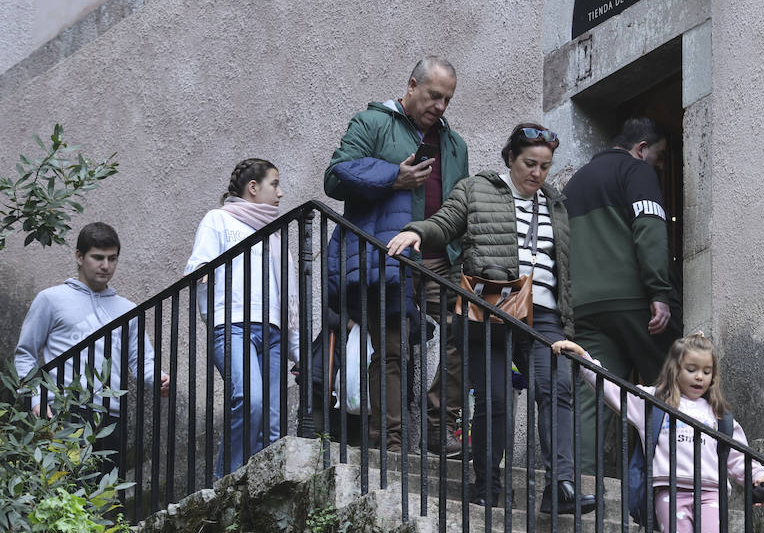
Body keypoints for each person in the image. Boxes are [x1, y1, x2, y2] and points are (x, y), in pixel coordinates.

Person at [386, 123, 593, 515]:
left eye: (545, 166)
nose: (537, 173)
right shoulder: (477, 189)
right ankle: (487, 486)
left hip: (545, 315)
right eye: (530, 163)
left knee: (557, 389)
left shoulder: (555, 204)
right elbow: (444, 223)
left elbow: (560, 266)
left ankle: (561, 485)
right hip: (490, 310)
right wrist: (416, 232)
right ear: (510, 158)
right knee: (495, 400)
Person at [551, 333, 764, 533]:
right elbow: (613, 391)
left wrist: (758, 478)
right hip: (668, 492)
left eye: (706, 371)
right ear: (675, 369)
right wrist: (584, 358)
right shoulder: (653, 403)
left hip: (710, 492)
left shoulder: (718, 415)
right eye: (692, 369)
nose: (699, 377)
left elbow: (738, 456)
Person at [324, 55, 469, 455]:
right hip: (389, 255)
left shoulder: (455, 144)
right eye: (434, 96)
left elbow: (461, 201)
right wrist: (393, 177)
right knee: (391, 349)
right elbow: (335, 176)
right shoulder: (373, 122)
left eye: (447, 100)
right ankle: (388, 442)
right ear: (411, 86)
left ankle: (439, 423)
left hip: (443, 259)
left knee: (469, 333)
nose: (440, 106)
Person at [561, 117, 676, 469]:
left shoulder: (574, 182)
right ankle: (677, 479)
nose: (661, 164)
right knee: (674, 384)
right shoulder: (637, 172)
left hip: (584, 306)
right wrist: (659, 291)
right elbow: (649, 230)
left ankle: (578, 483)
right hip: (632, 302)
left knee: (591, 394)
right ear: (641, 148)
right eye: (659, 155)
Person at [14, 222, 169, 461]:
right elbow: (25, 355)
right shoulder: (51, 300)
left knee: (104, 496)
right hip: (61, 411)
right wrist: (36, 399)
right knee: (62, 491)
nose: (106, 266)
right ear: (79, 256)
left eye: (112, 258)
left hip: (110, 416)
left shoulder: (128, 310)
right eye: (98, 257)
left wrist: (156, 378)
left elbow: (141, 361)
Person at [184, 159, 301, 477]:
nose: (280, 192)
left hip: (274, 334)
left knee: (274, 421)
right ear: (253, 187)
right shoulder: (219, 220)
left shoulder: (276, 237)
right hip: (233, 327)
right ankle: (227, 481)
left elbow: (285, 301)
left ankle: (264, 487)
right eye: (274, 184)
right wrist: (202, 275)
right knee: (249, 400)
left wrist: (299, 353)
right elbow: (199, 265)